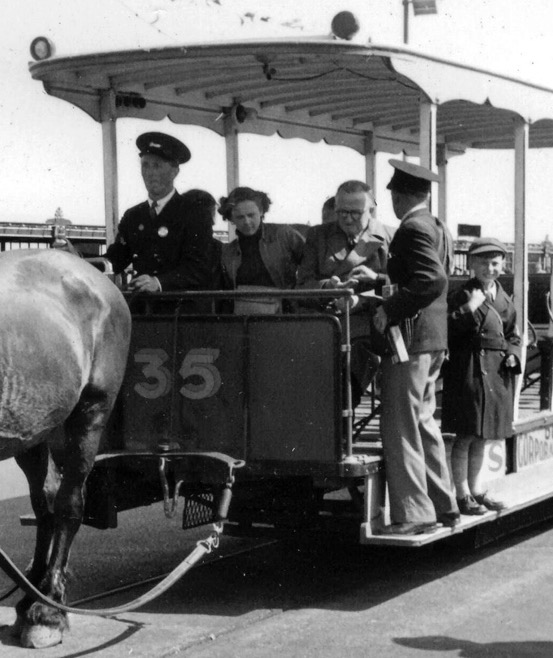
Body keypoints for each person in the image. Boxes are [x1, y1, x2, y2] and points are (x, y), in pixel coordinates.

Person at [373, 160, 459, 535]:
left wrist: (389, 308)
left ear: (397, 195)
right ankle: (444, 505)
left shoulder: (410, 228)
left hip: (409, 341)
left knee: (400, 425)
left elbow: (431, 279)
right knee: (423, 423)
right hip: (433, 340)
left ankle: (414, 514)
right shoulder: (437, 225)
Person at [296, 180, 395, 407]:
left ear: (371, 210)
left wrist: (361, 300)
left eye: (355, 213)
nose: (347, 219)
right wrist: (326, 288)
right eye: (342, 212)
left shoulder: (390, 237)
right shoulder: (318, 236)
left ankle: (339, 427)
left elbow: (399, 290)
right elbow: (301, 286)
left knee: (348, 377)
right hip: (326, 324)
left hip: (368, 329)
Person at [442, 237, 521, 514]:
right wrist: (470, 307)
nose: (490, 268)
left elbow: (514, 334)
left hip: (496, 373)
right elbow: (447, 329)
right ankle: (461, 494)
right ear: (472, 265)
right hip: (469, 371)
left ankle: (476, 490)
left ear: (503, 265)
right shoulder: (462, 295)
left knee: (484, 436)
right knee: (465, 435)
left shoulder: (504, 298)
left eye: (495, 263)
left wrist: (513, 352)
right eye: (483, 263)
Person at [105, 132, 213, 293]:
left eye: (157, 165)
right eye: (145, 165)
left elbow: (199, 268)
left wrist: (159, 282)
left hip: (181, 309)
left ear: (175, 171)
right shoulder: (133, 216)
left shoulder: (194, 213)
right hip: (143, 307)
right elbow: (116, 259)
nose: (149, 173)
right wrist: (75, 258)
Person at [219, 186, 305, 314]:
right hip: (245, 318)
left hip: (286, 315)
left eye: (251, 215)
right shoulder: (227, 252)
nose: (247, 222)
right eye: (240, 217)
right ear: (231, 219)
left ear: (261, 211)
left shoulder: (284, 235)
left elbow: (310, 266)